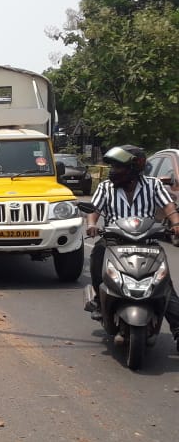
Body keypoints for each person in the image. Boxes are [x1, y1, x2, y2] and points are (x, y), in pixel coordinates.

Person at [85, 145, 179, 347]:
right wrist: (92, 224)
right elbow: (94, 210)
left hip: (147, 241)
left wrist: (176, 223)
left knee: (164, 285)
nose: (113, 171)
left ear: (135, 167)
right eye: (113, 167)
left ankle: (178, 330)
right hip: (114, 240)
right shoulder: (105, 187)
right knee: (97, 256)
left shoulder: (153, 185)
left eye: (118, 167)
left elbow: (168, 206)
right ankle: (99, 302)